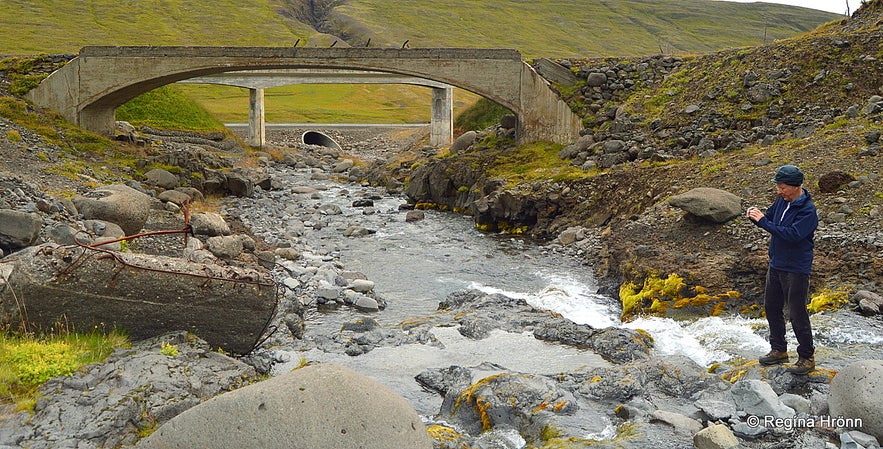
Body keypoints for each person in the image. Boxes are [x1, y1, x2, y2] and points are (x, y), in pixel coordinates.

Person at [746, 164, 819, 375]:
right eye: (778, 187)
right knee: (771, 307)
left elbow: (792, 235)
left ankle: (807, 356)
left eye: (782, 187)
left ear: (795, 186)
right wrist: (757, 217)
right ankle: (778, 349)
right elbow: (769, 219)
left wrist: (763, 223)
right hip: (776, 264)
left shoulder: (808, 211)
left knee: (797, 313)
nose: (779, 191)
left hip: (796, 268)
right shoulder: (782, 201)